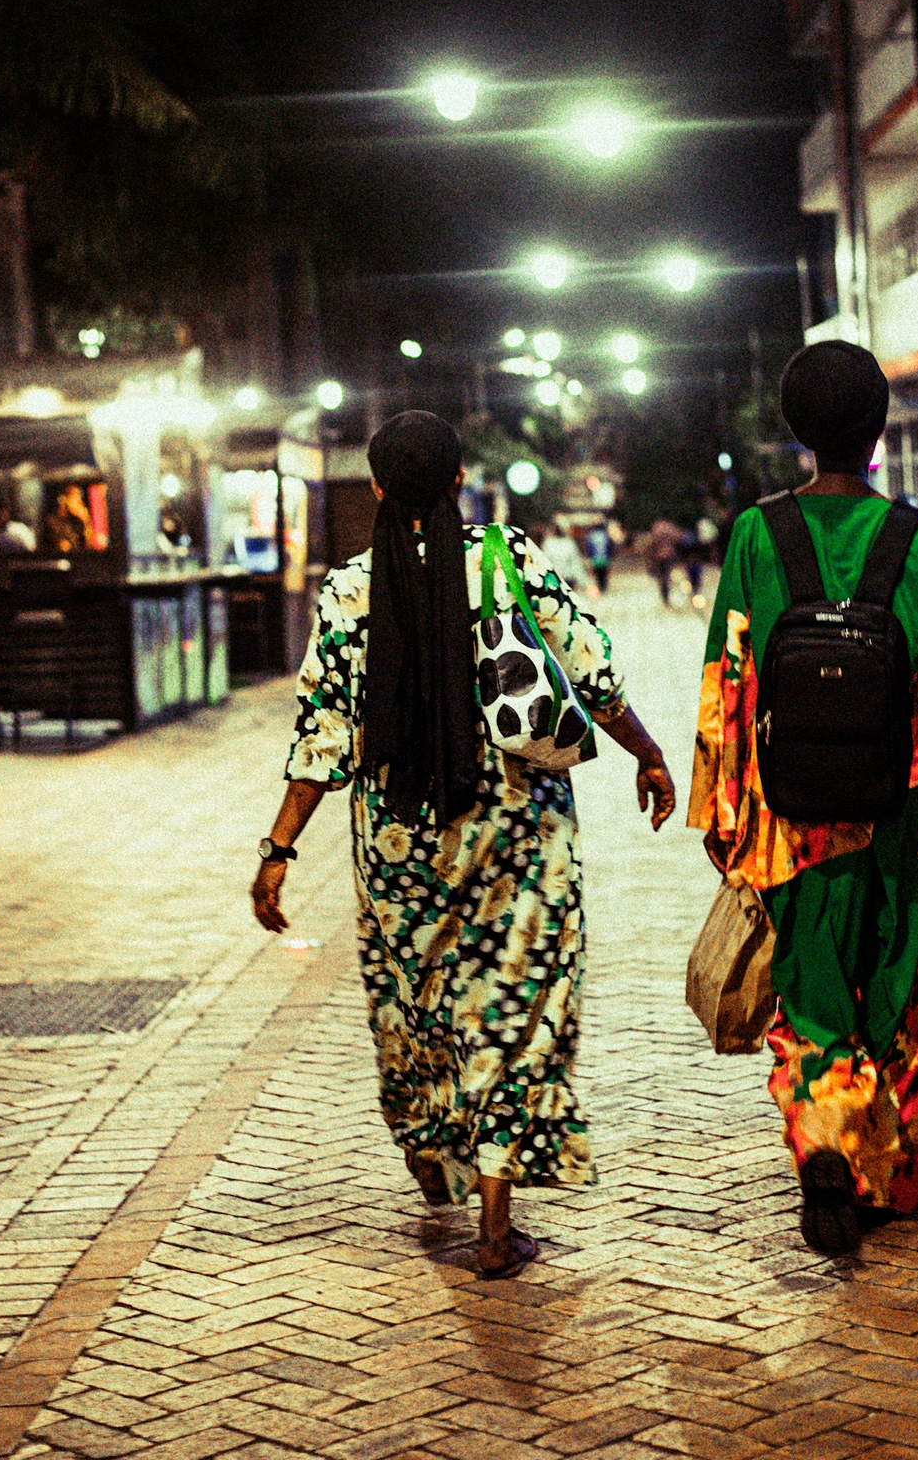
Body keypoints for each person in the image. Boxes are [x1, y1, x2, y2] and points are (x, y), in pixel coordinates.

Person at [252, 412, 676, 1280]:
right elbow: (588, 667)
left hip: (401, 838)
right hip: (517, 827)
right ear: (459, 483)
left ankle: (430, 1146)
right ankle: (494, 1216)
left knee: (420, 1003)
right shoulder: (506, 559)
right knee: (515, 1007)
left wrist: (278, 847)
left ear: (374, 488)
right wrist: (649, 753)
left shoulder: (347, 592)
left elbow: (323, 738)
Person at [688, 341, 918, 1256]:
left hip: (788, 821)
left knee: (811, 1001)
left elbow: (727, 680)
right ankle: (885, 1177)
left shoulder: (755, 536)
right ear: (880, 430)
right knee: (900, 995)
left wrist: (721, 810)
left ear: (796, 432)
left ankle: (823, 1138)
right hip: (897, 822)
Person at [540, 521, 591, 595]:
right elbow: (576, 563)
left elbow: (544, 562)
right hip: (568, 578)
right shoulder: (569, 543)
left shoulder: (547, 543)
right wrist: (583, 581)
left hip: (554, 578)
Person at [646, 517, 684, 605]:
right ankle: (666, 594)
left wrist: (651, 555)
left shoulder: (657, 529)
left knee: (662, 577)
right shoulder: (671, 529)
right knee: (666, 575)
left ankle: (664, 595)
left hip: (659, 556)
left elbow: (652, 543)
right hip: (669, 555)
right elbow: (679, 539)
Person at [44, 484, 91, 554]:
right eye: (74, 496)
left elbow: (90, 548)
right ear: (63, 499)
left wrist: (86, 521)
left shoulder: (76, 521)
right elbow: (65, 548)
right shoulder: (51, 521)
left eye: (79, 496)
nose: (79, 501)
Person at [585, 521, 612, 595]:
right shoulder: (605, 535)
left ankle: (599, 586)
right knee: (604, 573)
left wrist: (589, 556)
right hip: (605, 557)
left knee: (597, 573)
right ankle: (604, 586)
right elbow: (610, 546)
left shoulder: (591, 535)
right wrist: (610, 556)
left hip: (595, 558)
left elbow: (588, 547)